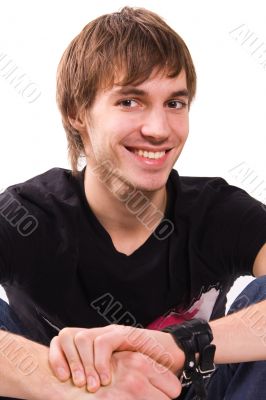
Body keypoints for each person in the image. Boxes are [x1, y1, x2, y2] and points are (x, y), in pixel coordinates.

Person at [0, 6, 266, 400]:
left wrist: (183, 345)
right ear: (77, 112)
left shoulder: (219, 213)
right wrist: (78, 386)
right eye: (129, 101)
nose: (159, 130)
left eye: (175, 103)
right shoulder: (27, 216)